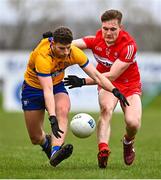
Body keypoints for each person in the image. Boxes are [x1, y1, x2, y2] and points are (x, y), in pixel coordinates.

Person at [21, 26, 129, 167]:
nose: (66, 52)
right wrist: (52, 117)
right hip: (33, 89)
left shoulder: (74, 52)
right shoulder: (43, 57)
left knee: (63, 109)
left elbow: (96, 75)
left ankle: (55, 152)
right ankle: (47, 143)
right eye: (61, 48)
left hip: (57, 85)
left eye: (68, 48)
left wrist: (115, 90)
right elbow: (47, 90)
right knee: (35, 137)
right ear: (53, 44)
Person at [64, 9, 142, 168]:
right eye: (105, 28)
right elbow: (68, 45)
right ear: (101, 27)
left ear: (121, 27)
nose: (108, 33)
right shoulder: (95, 40)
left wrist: (82, 81)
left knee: (133, 123)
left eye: (113, 29)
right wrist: (51, 42)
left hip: (129, 86)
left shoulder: (129, 46)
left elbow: (112, 75)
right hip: (106, 84)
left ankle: (128, 141)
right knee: (106, 109)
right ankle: (103, 149)